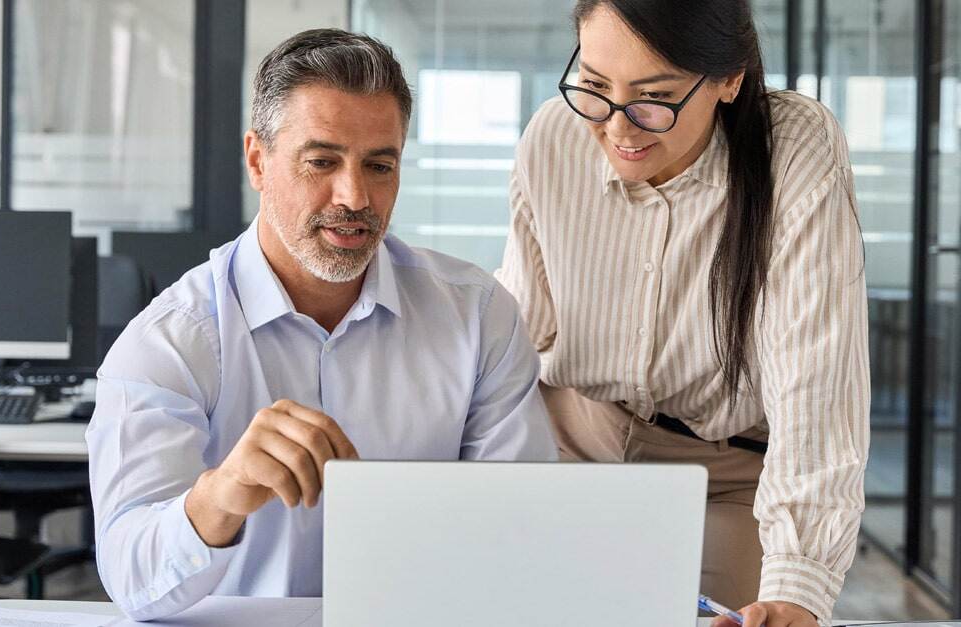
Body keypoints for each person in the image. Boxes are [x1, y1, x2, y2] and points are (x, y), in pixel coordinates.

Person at [87, 29, 557, 621]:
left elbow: (523, 529)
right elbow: (131, 579)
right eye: (322, 162)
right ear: (258, 160)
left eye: (379, 165)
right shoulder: (171, 340)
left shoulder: (477, 315)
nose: (355, 195)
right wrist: (221, 493)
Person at [495, 1, 870, 625]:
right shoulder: (553, 135)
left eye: (654, 97)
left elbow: (816, 378)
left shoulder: (794, 148)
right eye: (593, 86)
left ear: (730, 79)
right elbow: (521, 325)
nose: (618, 126)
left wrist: (798, 586)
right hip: (569, 446)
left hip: (722, 476)